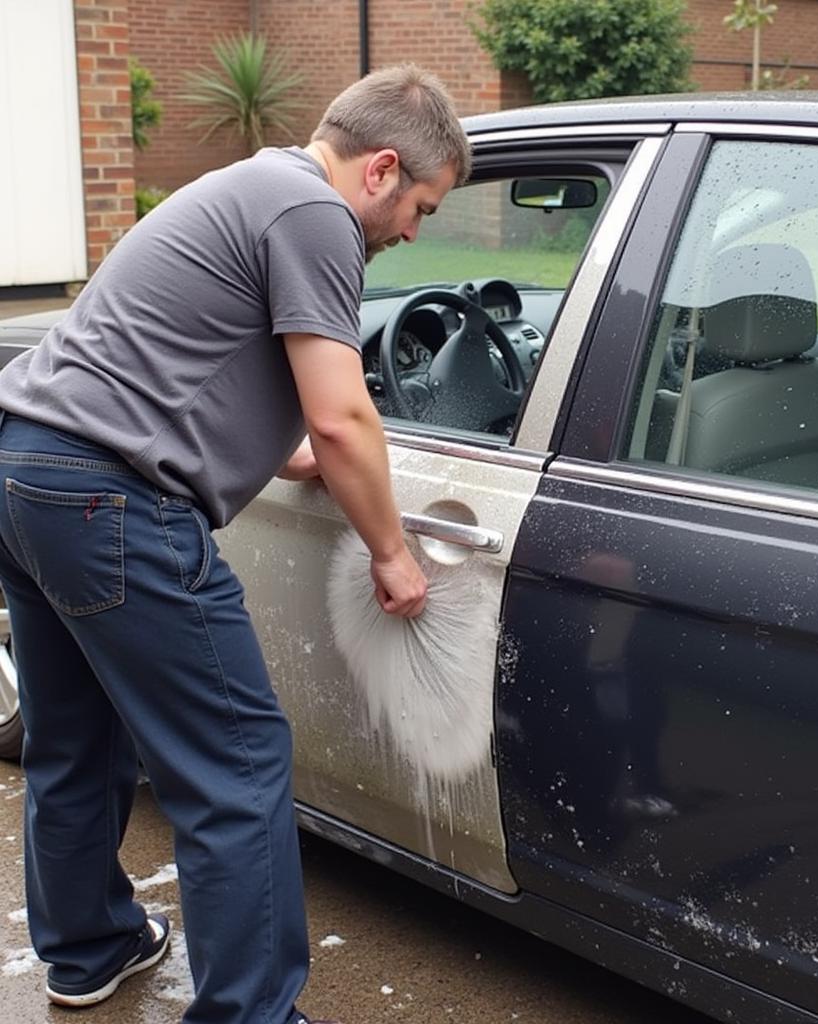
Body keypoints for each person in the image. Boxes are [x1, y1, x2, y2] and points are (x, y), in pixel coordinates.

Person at [0, 64, 470, 1024]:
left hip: (29, 474)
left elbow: (191, 352)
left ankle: (90, 948)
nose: (413, 231)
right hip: (112, 503)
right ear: (382, 169)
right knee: (239, 763)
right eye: (421, 205)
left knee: (74, 739)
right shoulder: (314, 216)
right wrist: (391, 550)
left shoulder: (252, 183)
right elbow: (345, 419)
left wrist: (274, 448)